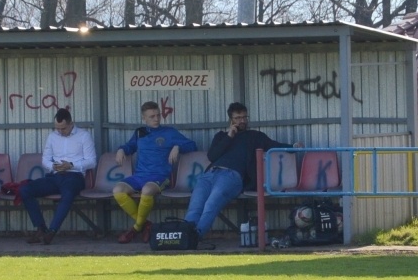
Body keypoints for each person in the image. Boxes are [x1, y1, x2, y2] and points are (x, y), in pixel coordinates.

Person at [185, 102, 303, 239]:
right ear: (231, 120)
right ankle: (184, 235)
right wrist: (229, 136)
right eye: (238, 118)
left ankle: (195, 236)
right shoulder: (221, 136)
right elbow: (212, 156)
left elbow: (274, 145)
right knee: (195, 205)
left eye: (244, 117)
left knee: (212, 203)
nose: (242, 121)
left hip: (231, 176)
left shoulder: (254, 136)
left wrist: (294, 146)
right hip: (209, 174)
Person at [113, 101, 197, 243]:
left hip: (160, 176)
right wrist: (122, 149)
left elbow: (192, 145)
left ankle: (135, 228)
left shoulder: (169, 132)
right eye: (152, 116)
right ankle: (145, 224)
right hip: (139, 176)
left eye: (158, 115)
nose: (156, 119)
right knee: (118, 190)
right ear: (144, 118)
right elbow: (130, 146)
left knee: (146, 190)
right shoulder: (140, 132)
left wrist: (177, 146)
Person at [20, 108, 97, 245]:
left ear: (71, 123)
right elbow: (45, 160)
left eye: (63, 128)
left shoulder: (84, 136)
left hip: (75, 176)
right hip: (55, 175)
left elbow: (92, 161)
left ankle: (52, 231)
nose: (60, 131)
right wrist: (52, 167)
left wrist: (71, 165)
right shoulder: (52, 136)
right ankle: (41, 229)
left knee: (67, 193)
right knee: (25, 190)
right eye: (57, 128)